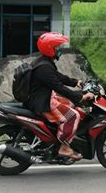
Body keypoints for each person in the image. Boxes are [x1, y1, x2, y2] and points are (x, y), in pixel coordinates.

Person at [25, 32, 94, 160]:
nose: (60, 49)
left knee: (72, 105)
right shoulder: (44, 67)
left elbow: (57, 77)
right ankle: (65, 147)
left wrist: (75, 82)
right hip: (42, 102)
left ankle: (61, 134)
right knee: (73, 116)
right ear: (50, 48)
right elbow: (58, 87)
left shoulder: (44, 61)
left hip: (43, 97)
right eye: (57, 47)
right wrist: (79, 97)